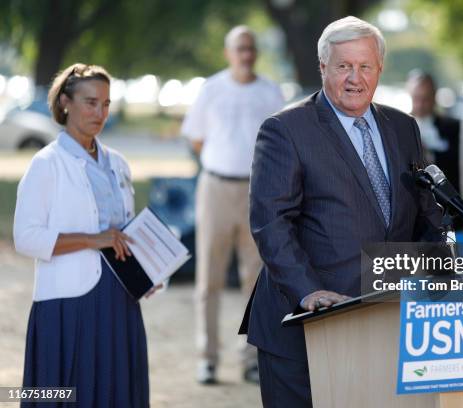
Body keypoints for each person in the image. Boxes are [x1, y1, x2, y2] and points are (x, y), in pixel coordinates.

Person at [240, 16, 444, 407]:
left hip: (385, 325)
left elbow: (426, 215)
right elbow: (270, 223)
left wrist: (442, 266)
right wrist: (309, 291)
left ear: (380, 69)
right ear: (322, 67)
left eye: (365, 66)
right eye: (343, 66)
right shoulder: (285, 130)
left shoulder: (404, 128)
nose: (355, 77)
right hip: (305, 328)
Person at [13, 63, 154, 407]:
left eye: (106, 104)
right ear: (65, 103)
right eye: (90, 102)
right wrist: (93, 239)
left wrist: (150, 268)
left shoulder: (119, 163)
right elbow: (26, 238)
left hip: (120, 300)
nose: (100, 112)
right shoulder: (46, 164)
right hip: (68, 304)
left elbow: (124, 232)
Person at [181, 25, 285, 384]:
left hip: (257, 193)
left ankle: (251, 359)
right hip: (215, 187)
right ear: (229, 53)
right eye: (240, 48)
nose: (246, 54)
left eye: (251, 48)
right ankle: (207, 358)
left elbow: (281, 145)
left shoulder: (271, 92)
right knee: (208, 277)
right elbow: (195, 138)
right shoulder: (211, 89)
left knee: (255, 279)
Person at [406, 70, 460, 189]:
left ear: (434, 96)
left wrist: (429, 153)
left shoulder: (453, 128)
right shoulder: (399, 127)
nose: (420, 104)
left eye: (425, 99)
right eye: (416, 98)